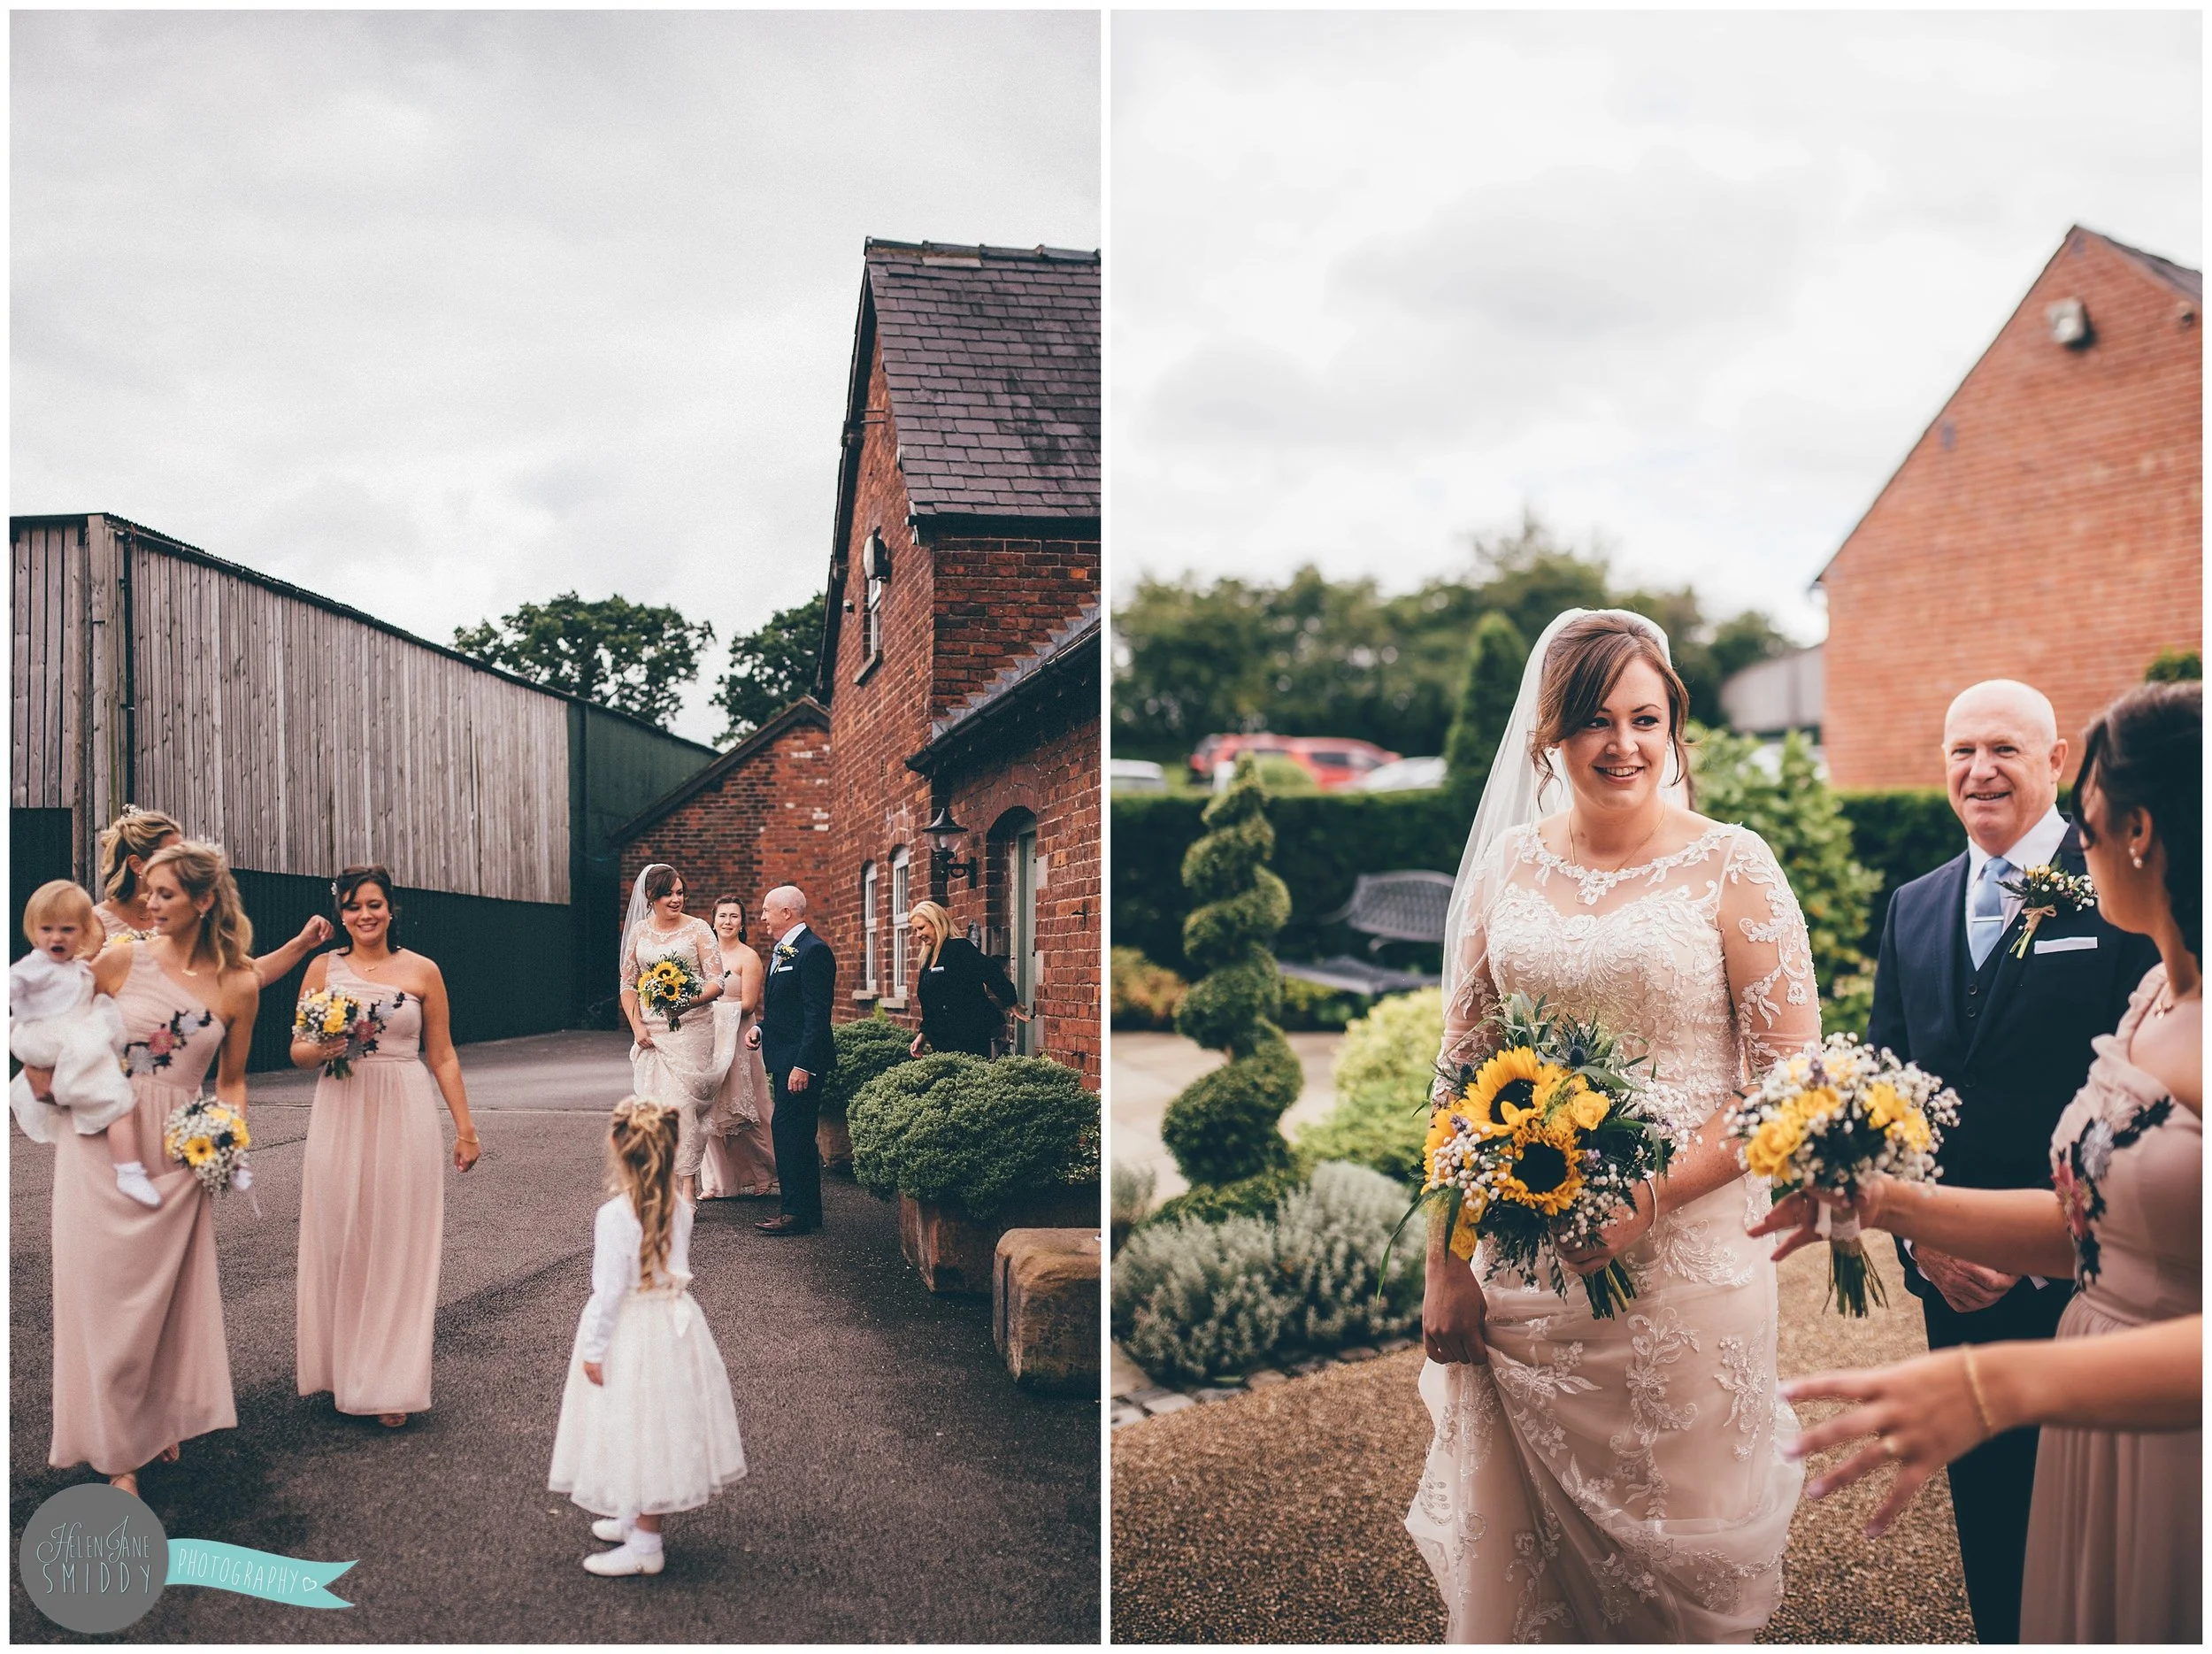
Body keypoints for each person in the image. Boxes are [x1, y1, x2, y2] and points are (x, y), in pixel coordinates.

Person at [1755, 680, 2200, 1642]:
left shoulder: (2143, 955)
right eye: (1961, 750)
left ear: (2134, 828)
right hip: (1993, 1293)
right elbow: (2087, 1210)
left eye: (2089, 815)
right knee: (2027, 1583)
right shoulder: (2145, 1004)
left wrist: (1997, 1381)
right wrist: (1892, 1215)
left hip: (2136, 1359)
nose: (2079, 839)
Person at [1405, 610, 1817, 1642]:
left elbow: (1787, 1083)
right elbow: (1461, 1075)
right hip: (1523, 1274)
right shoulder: (1504, 868)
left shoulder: (1733, 866)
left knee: (1677, 1554)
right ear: (1549, 734)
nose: (1622, 744)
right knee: (1531, 1563)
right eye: (1594, 720)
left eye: (1645, 719)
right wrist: (1446, 1266)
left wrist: (1649, 1195)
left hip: (1689, 1274)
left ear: (1674, 728)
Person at [1849, 678, 2159, 1643]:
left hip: (2095, 1285)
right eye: (1961, 751)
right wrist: (1922, 1246)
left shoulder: (2124, 885)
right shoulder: (1912, 906)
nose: (1979, 770)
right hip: (1957, 1289)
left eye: (2004, 750)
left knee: (2107, 1552)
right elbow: (1888, 1091)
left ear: (2057, 761)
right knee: (1994, 1536)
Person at [50, 840, 258, 1496]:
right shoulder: (121, 957)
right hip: (101, 1144)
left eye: (166, 893)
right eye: (150, 892)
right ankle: (119, 1454)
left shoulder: (239, 982)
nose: (151, 903)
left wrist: (226, 1138)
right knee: (106, 1296)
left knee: (162, 1301)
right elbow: (57, 1034)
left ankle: (155, 1415)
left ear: (204, 900)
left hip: (178, 1150)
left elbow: (231, 1080)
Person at [292, 865, 483, 1429]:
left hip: (404, 1108)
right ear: (341, 912)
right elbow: (297, 1051)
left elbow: (442, 1054)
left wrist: (466, 1128)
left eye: (373, 904)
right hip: (340, 1108)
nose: (364, 915)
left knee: (398, 1240)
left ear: (391, 908)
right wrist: (324, 1046)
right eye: (353, 906)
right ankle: (342, 1366)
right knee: (341, 1237)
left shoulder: (423, 970)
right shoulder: (322, 969)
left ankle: (389, 1379)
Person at [548, 1097, 747, 1577]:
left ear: (618, 1147)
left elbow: (609, 1293)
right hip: (672, 1326)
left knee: (636, 1421)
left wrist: (594, 1350)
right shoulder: (681, 1208)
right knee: (651, 1421)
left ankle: (645, 1545)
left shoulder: (615, 1215)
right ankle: (632, 1512)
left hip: (630, 1330)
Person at [11, 880, 150, 1204]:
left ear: (84, 932)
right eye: (47, 929)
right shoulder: (36, 966)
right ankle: (128, 1170)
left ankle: (123, 1167)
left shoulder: (75, 968)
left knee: (105, 1100)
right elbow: (13, 983)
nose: (56, 938)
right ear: (33, 931)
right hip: (53, 1040)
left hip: (65, 1039)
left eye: (67, 929)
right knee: (118, 1101)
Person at [91, 805, 333, 986]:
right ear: (137, 865)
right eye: (172, 856)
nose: (184, 864)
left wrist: (301, 944)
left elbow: (243, 977)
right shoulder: (94, 922)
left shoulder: (190, 917)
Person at [617, 864, 728, 1204]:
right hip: (652, 1032)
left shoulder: (699, 929)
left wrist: (686, 1003)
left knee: (683, 1107)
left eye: (680, 893)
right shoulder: (639, 932)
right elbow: (628, 984)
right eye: (668, 894)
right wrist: (637, 1027)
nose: (676, 899)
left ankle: (688, 1187)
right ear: (651, 897)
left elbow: (717, 982)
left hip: (692, 1030)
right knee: (657, 1109)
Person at [748, 884, 835, 1235]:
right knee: (794, 1134)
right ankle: (805, 1212)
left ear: (786, 912)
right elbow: (788, 1010)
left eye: (767, 911)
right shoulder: (785, 951)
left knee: (789, 1133)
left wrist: (804, 1065)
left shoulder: (814, 951)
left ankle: (796, 1212)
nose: (762, 918)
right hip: (786, 1058)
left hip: (801, 1063)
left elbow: (817, 1016)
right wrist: (762, 1029)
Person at [697, 894, 778, 1201]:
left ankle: (765, 1172)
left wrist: (710, 1007)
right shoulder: (704, 956)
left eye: (734, 916)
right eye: (722, 916)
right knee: (709, 1110)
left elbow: (748, 1004)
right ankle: (718, 1182)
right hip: (708, 1039)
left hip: (739, 1039)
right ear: (713, 921)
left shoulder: (748, 957)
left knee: (746, 1111)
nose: (727, 922)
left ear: (742, 923)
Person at [907, 899, 1029, 1058]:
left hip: (969, 1036)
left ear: (937, 922)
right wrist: (923, 1035)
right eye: (915, 930)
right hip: (942, 1041)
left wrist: (1010, 1001)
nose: (918, 935)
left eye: (921, 928)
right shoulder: (928, 959)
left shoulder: (959, 948)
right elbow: (931, 1005)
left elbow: (990, 971)